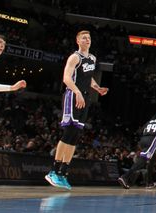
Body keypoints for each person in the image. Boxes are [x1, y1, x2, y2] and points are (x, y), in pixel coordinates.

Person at [45, 30, 108, 190]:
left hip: (85, 97)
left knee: (76, 135)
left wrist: (97, 88)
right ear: (78, 41)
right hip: (73, 95)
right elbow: (66, 78)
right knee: (68, 132)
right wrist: (77, 92)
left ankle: (64, 172)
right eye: (84, 38)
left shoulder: (92, 58)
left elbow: (89, 77)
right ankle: (53, 170)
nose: (87, 40)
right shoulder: (75, 57)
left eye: (89, 38)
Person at [118, 107, 156, 189]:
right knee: (142, 161)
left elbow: (140, 131)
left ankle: (149, 182)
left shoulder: (150, 121)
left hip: (143, 141)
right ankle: (125, 177)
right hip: (151, 141)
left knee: (152, 159)